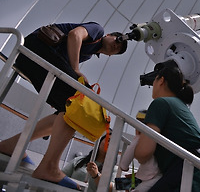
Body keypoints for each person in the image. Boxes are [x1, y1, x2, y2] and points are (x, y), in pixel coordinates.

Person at [0, 22, 128, 190]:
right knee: (77, 104)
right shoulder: (97, 30)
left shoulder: (87, 54)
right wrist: (75, 70)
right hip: (38, 48)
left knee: (67, 108)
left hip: (37, 60)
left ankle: (13, 145)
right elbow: (75, 35)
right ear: (109, 34)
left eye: (117, 49)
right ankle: (49, 166)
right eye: (117, 40)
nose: (115, 46)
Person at [134, 60, 200, 192]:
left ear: (161, 80)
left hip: (190, 178)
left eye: (154, 80)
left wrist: (139, 140)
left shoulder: (160, 103)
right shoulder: (181, 107)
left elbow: (143, 153)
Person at [119, 110, 162, 191]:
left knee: (119, 187)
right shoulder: (159, 139)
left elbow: (124, 162)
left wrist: (124, 167)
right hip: (149, 175)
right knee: (119, 185)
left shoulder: (139, 138)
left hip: (149, 178)